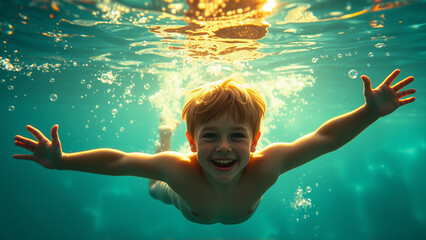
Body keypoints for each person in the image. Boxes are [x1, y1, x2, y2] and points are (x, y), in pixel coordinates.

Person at [13, 69, 416, 224]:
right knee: (154, 180)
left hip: (212, 200)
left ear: (256, 141)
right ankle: (164, 135)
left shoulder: (268, 163)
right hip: (180, 199)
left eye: (237, 136)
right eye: (210, 136)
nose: (223, 147)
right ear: (194, 142)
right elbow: (119, 161)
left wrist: (370, 113)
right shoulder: (177, 168)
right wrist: (63, 161)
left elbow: (324, 139)